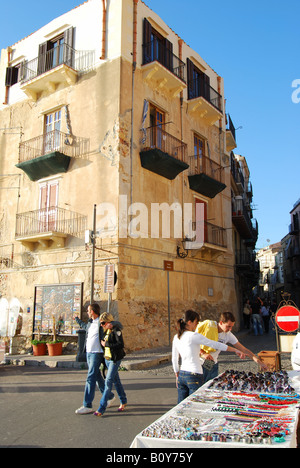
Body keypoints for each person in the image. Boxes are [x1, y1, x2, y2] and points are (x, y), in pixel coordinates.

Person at [172, 310, 245, 404]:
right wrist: (234, 350)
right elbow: (215, 344)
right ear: (189, 322)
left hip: (182, 374)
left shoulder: (176, 337)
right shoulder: (194, 336)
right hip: (194, 374)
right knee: (194, 404)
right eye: (196, 322)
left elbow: (174, 358)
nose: (197, 325)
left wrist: (176, 373)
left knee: (180, 405)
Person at [197, 311, 269, 385]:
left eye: (232, 326)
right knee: (198, 388)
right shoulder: (208, 326)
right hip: (199, 363)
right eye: (228, 326)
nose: (230, 329)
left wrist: (260, 363)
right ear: (221, 322)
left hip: (212, 364)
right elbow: (193, 341)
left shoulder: (228, 335)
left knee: (210, 387)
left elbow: (244, 350)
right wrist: (202, 353)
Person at [74, 304, 116, 414]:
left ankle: (87, 405)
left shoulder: (100, 322)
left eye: (88, 310)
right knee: (97, 376)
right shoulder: (90, 322)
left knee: (90, 377)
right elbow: (84, 326)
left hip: (97, 353)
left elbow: (113, 325)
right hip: (88, 352)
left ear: (93, 311)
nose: (87, 312)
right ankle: (110, 397)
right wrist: (77, 319)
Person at [93, 312, 127, 417]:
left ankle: (101, 408)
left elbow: (120, 344)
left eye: (103, 323)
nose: (102, 325)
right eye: (101, 323)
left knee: (108, 382)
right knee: (116, 381)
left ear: (109, 322)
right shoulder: (106, 330)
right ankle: (123, 400)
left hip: (114, 359)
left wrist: (106, 344)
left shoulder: (116, 330)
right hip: (108, 359)